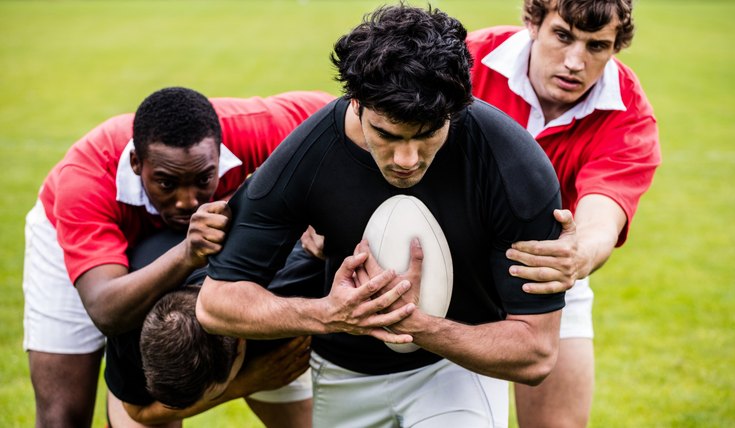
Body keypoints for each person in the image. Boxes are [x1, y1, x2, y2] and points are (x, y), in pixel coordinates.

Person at [197, 5, 565, 427]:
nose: (407, 159)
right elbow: (216, 303)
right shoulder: (309, 155)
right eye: (387, 135)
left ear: (457, 108)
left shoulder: (513, 165)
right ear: (356, 102)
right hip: (342, 372)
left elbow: (536, 351)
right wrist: (330, 314)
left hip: (455, 371)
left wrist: (419, 325)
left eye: (427, 134)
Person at [22, 86, 334, 427]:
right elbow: (106, 310)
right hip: (79, 247)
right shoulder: (85, 180)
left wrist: (319, 211)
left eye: (203, 179)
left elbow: (349, 118)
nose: (188, 201)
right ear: (136, 163)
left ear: (221, 152)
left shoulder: (258, 127)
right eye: (167, 184)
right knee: (62, 416)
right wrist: (187, 252)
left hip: (201, 251)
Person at [466, 1, 661, 426]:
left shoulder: (628, 112)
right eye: (563, 36)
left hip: (549, 268)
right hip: (454, 263)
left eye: (597, 46)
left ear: (615, 47)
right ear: (533, 22)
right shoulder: (468, 63)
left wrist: (578, 255)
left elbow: (602, 213)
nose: (576, 62)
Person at [106, 228, 324, 427]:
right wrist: (243, 384)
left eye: (212, 393)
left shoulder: (293, 282)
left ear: (240, 341)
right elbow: (138, 411)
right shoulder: (129, 318)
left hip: (270, 327)